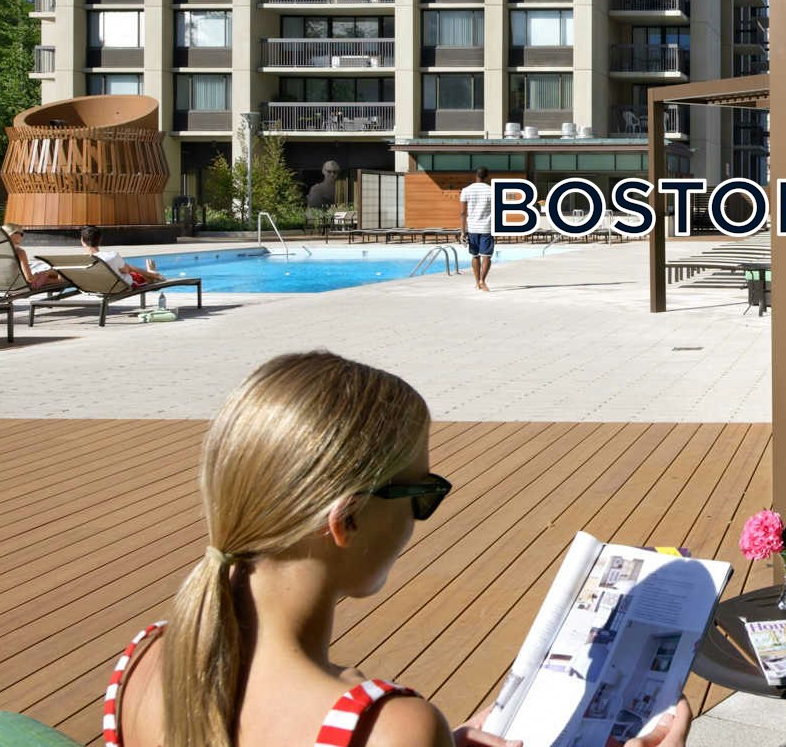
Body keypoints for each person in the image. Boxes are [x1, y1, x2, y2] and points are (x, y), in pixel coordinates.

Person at [102, 351, 693, 747]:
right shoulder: (384, 727)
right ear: (347, 520)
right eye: (422, 494)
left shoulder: (143, 661)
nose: (420, 516)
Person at [80, 224, 166, 286]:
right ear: (100, 240)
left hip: (95, 287)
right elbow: (127, 270)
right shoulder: (111, 256)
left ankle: (152, 273)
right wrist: (153, 275)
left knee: (129, 271)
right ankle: (153, 274)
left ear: (82, 241)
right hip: (118, 287)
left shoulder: (80, 261)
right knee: (146, 278)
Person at [459, 167, 495, 292]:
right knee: (487, 256)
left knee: (475, 256)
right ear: (487, 176)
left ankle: (477, 282)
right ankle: (482, 281)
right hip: (487, 227)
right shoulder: (492, 190)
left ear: (476, 175)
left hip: (472, 228)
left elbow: (463, 213)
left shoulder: (466, 190)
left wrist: (463, 231)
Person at [1, 223, 66, 291]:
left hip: (4, 285)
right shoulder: (19, 252)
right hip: (24, 285)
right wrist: (43, 274)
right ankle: (61, 280)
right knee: (53, 273)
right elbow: (29, 279)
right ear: (12, 234)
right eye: (21, 234)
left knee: (49, 274)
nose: (22, 237)